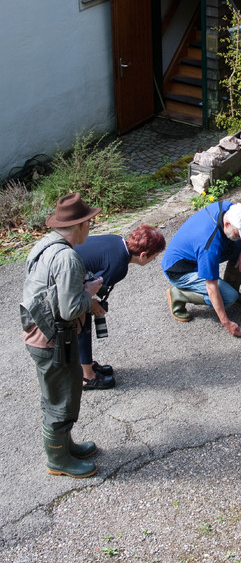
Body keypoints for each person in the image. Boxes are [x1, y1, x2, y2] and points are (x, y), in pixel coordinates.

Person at [20, 193, 103, 478]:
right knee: (61, 398)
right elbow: (69, 310)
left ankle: (65, 446)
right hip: (53, 341)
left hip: (39, 332)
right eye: (89, 222)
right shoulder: (67, 258)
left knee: (60, 394)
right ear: (79, 226)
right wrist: (89, 293)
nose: (91, 227)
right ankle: (57, 459)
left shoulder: (45, 245)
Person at [75, 225, 166, 390]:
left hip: (62, 269)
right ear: (143, 255)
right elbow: (84, 289)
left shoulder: (116, 240)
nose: (154, 261)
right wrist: (91, 304)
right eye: (154, 257)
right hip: (59, 282)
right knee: (82, 319)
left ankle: (84, 364)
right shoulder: (118, 266)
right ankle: (86, 376)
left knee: (85, 313)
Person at [161, 200, 241, 337]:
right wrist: (226, 322)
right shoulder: (209, 246)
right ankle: (178, 294)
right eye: (238, 233)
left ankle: (233, 290)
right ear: (227, 224)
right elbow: (211, 287)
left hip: (197, 254)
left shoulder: (229, 208)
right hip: (180, 270)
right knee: (228, 297)